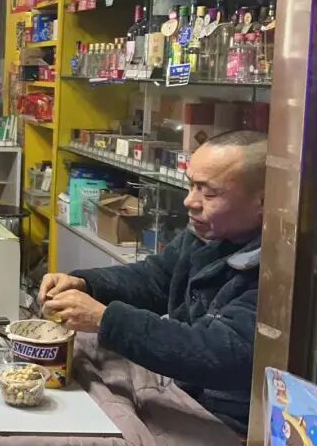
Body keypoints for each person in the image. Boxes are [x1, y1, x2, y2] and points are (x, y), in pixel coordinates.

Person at [40, 130, 266, 434]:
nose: (190, 201)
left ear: (263, 202)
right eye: (191, 185)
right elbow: (155, 278)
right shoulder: (209, 234)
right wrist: (85, 284)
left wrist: (105, 319)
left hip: (222, 418)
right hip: (180, 389)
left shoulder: (279, 275)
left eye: (209, 193)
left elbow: (216, 353)